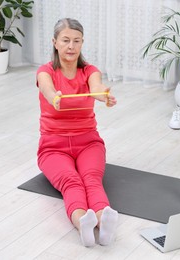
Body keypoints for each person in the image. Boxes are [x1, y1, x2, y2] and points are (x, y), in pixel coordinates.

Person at [36, 18, 118, 247]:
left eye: (76, 41)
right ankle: (83, 223)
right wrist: (53, 97)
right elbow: (46, 87)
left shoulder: (89, 71)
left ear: (82, 44)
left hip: (88, 142)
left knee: (91, 179)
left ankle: (104, 220)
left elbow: (97, 87)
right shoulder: (46, 71)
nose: (71, 46)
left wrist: (103, 96)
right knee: (71, 182)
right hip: (53, 146)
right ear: (55, 42)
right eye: (65, 40)